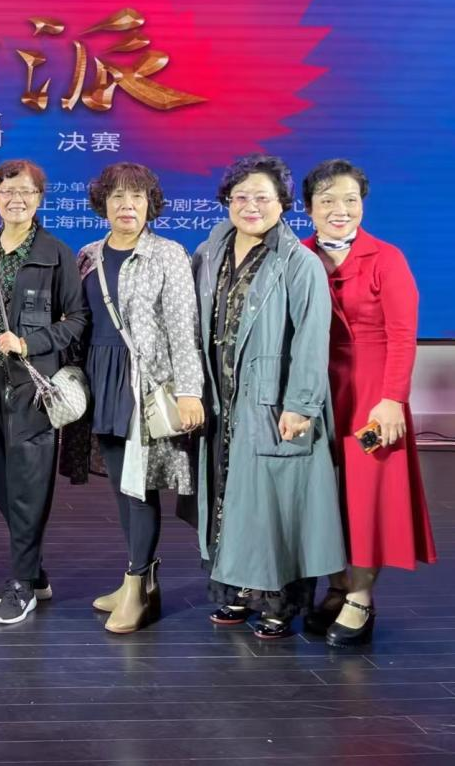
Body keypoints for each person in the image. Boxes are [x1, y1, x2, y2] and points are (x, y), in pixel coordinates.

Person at [192, 154, 345, 639]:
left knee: (277, 506)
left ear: (283, 203)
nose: (250, 206)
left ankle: (280, 602)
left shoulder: (300, 263)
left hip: (272, 401)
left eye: (262, 197)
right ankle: (236, 590)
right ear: (226, 201)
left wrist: (301, 404)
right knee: (229, 497)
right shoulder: (210, 251)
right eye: (240, 196)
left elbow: (312, 338)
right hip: (221, 400)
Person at [62, 163, 204, 634]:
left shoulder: (168, 254)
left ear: (150, 204)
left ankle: (137, 584)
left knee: (139, 486)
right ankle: (140, 582)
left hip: (142, 383)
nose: (127, 205)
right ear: (102, 204)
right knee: (122, 486)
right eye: (117, 196)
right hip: (98, 378)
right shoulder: (88, 255)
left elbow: (183, 329)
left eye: (137, 196)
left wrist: (190, 392)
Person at [301, 159, 435, 646]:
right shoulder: (299, 256)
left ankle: (360, 596)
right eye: (327, 200)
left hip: (372, 394)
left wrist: (392, 400)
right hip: (317, 391)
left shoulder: (387, 258)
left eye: (350, 200)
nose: (340, 210)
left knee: (368, 495)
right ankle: (337, 586)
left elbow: (402, 335)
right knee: (325, 494)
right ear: (308, 208)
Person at [0, 160, 87, 625]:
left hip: (30, 383)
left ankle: (22, 583)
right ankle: (34, 573)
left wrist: (29, 342)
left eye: (26, 192)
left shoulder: (56, 253)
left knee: (28, 482)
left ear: (40, 198)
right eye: (7, 191)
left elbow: (77, 320)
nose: (16, 199)